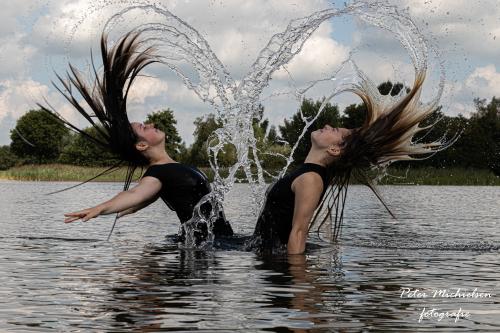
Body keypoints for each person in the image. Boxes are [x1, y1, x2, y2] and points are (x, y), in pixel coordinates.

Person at [40, 31, 233, 240]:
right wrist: (100, 208)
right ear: (141, 146)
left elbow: (143, 198)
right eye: (143, 127)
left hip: (221, 242)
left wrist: (134, 207)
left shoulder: (169, 171)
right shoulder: (157, 174)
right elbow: (134, 194)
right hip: (209, 247)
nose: (150, 124)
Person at [253, 70, 453, 254]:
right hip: (262, 253)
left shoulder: (311, 179)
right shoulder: (306, 173)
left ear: (334, 149)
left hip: (274, 267)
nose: (328, 125)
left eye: (335, 131)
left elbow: (298, 233)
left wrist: (299, 286)